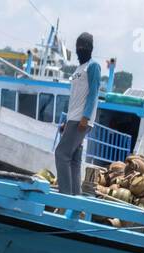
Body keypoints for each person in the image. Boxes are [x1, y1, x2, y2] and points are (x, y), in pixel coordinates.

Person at [54, 33, 101, 196]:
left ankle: (65, 195)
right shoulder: (77, 69)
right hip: (72, 119)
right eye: (79, 47)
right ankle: (75, 196)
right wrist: (67, 121)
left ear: (91, 49)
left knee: (61, 154)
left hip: (81, 119)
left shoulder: (93, 66)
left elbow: (93, 93)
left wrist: (86, 116)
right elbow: (74, 97)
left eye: (85, 47)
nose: (81, 50)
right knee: (73, 159)